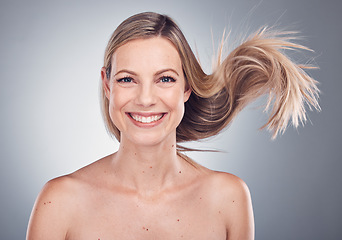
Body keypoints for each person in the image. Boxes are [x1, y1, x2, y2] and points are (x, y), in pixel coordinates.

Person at [26, 12, 320, 240]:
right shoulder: (60, 201)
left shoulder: (229, 198)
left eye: (165, 79)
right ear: (106, 85)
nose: (145, 99)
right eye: (127, 79)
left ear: (187, 87)